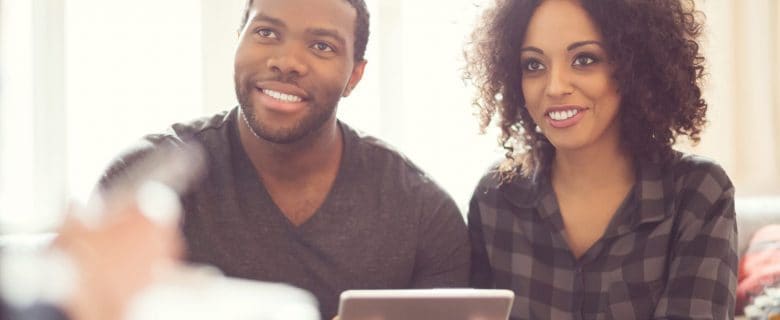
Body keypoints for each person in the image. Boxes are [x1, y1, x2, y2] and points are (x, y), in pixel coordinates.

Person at [96, 0, 470, 318]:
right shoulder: (144, 186)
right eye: (267, 33)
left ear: (354, 75)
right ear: (238, 40)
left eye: (322, 46)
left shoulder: (424, 214)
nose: (287, 61)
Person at [464, 0, 737, 319]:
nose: (554, 87)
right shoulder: (496, 198)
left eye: (584, 59)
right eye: (534, 65)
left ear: (635, 66)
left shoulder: (697, 193)